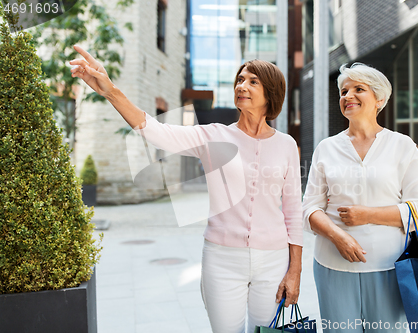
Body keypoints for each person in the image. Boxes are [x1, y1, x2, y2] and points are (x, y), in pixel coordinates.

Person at [70, 46, 303, 333]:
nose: (242, 85)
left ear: (271, 94)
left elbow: (293, 211)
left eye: (253, 81)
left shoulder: (286, 145)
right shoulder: (214, 135)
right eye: (240, 80)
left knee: (267, 331)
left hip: (273, 260)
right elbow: (155, 131)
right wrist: (110, 91)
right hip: (222, 259)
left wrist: (295, 270)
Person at [302, 63, 418, 333]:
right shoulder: (326, 148)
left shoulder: (402, 145)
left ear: (379, 99)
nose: (347, 96)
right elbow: (310, 209)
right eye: (343, 91)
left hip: (389, 267)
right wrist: (339, 237)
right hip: (332, 266)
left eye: (358, 89)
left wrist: (367, 215)